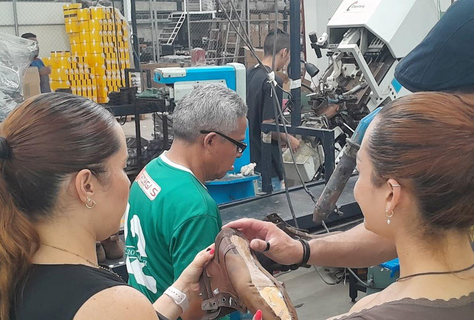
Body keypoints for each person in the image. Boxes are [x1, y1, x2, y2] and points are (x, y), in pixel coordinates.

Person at [227, 92, 474, 319]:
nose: (355, 187)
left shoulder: (367, 312)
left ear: (391, 195)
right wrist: (301, 250)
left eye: (359, 171)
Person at [0, 92, 219, 320]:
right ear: (87, 185)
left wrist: (180, 291)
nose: (127, 181)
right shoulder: (111, 304)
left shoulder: (11, 269)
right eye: (122, 167)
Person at [125, 83, 248, 320]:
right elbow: (200, 309)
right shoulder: (196, 207)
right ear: (210, 141)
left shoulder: (149, 172)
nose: (238, 154)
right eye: (238, 145)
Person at [246, 29, 300, 191]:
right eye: (288, 56)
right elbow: (267, 127)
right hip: (266, 166)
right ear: (284, 52)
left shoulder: (250, 74)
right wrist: (289, 139)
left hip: (250, 160)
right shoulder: (272, 80)